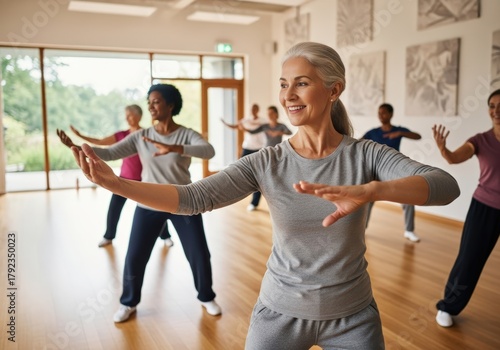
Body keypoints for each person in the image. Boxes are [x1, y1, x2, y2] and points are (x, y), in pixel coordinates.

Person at [66, 42, 460, 349]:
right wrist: (117, 184)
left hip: (353, 316)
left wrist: (375, 190)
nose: (289, 94)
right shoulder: (267, 162)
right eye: (284, 84)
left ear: (334, 89)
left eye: (301, 82)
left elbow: (446, 185)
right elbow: (193, 198)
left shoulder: (366, 155)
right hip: (279, 313)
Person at [57, 83, 221, 323]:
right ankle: (129, 302)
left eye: (155, 102)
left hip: (183, 201)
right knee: (135, 256)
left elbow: (209, 151)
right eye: (149, 102)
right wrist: (77, 146)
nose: (151, 106)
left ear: (170, 105)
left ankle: (206, 296)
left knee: (199, 254)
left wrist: (174, 147)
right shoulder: (141, 136)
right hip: (148, 204)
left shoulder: (186, 133)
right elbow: (111, 153)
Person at [432, 89, 500, 328]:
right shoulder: (481, 140)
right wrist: (444, 150)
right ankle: (447, 306)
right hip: (485, 208)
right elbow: (454, 158)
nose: (497, 110)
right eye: (492, 105)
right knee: (469, 260)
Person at [69, 105, 173, 248]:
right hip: (124, 179)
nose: (127, 118)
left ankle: (166, 236)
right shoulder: (121, 135)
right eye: (126, 115)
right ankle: (108, 236)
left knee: (155, 210)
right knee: (114, 209)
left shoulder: (148, 135)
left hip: (144, 180)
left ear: (138, 116)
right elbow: (100, 142)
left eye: (130, 115)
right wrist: (79, 137)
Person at [362, 103, 423, 242]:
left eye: (383, 113)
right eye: (379, 113)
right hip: (375, 171)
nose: (380, 115)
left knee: (408, 198)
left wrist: (401, 133)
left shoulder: (398, 130)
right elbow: (357, 142)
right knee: (367, 199)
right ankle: (361, 229)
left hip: (394, 170)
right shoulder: (373, 132)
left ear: (390, 114)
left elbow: (417, 136)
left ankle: (409, 230)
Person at [221, 103, 266, 211]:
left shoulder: (263, 121)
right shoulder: (245, 120)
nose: (253, 110)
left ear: (258, 109)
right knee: (239, 170)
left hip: (258, 149)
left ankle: (254, 203)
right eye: (252, 109)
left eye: (255, 108)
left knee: (258, 176)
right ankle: (233, 193)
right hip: (247, 148)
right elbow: (235, 126)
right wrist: (225, 123)